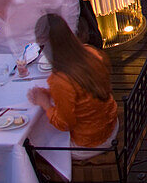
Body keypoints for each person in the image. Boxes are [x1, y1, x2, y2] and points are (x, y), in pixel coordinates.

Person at [26, 14, 118, 160]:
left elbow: (64, 124)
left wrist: (45, 104)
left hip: (90, 143)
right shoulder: (90, 51)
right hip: (111, 125)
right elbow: (83, 90)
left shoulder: (61, 79)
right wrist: (50, 93)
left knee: (34, 143)